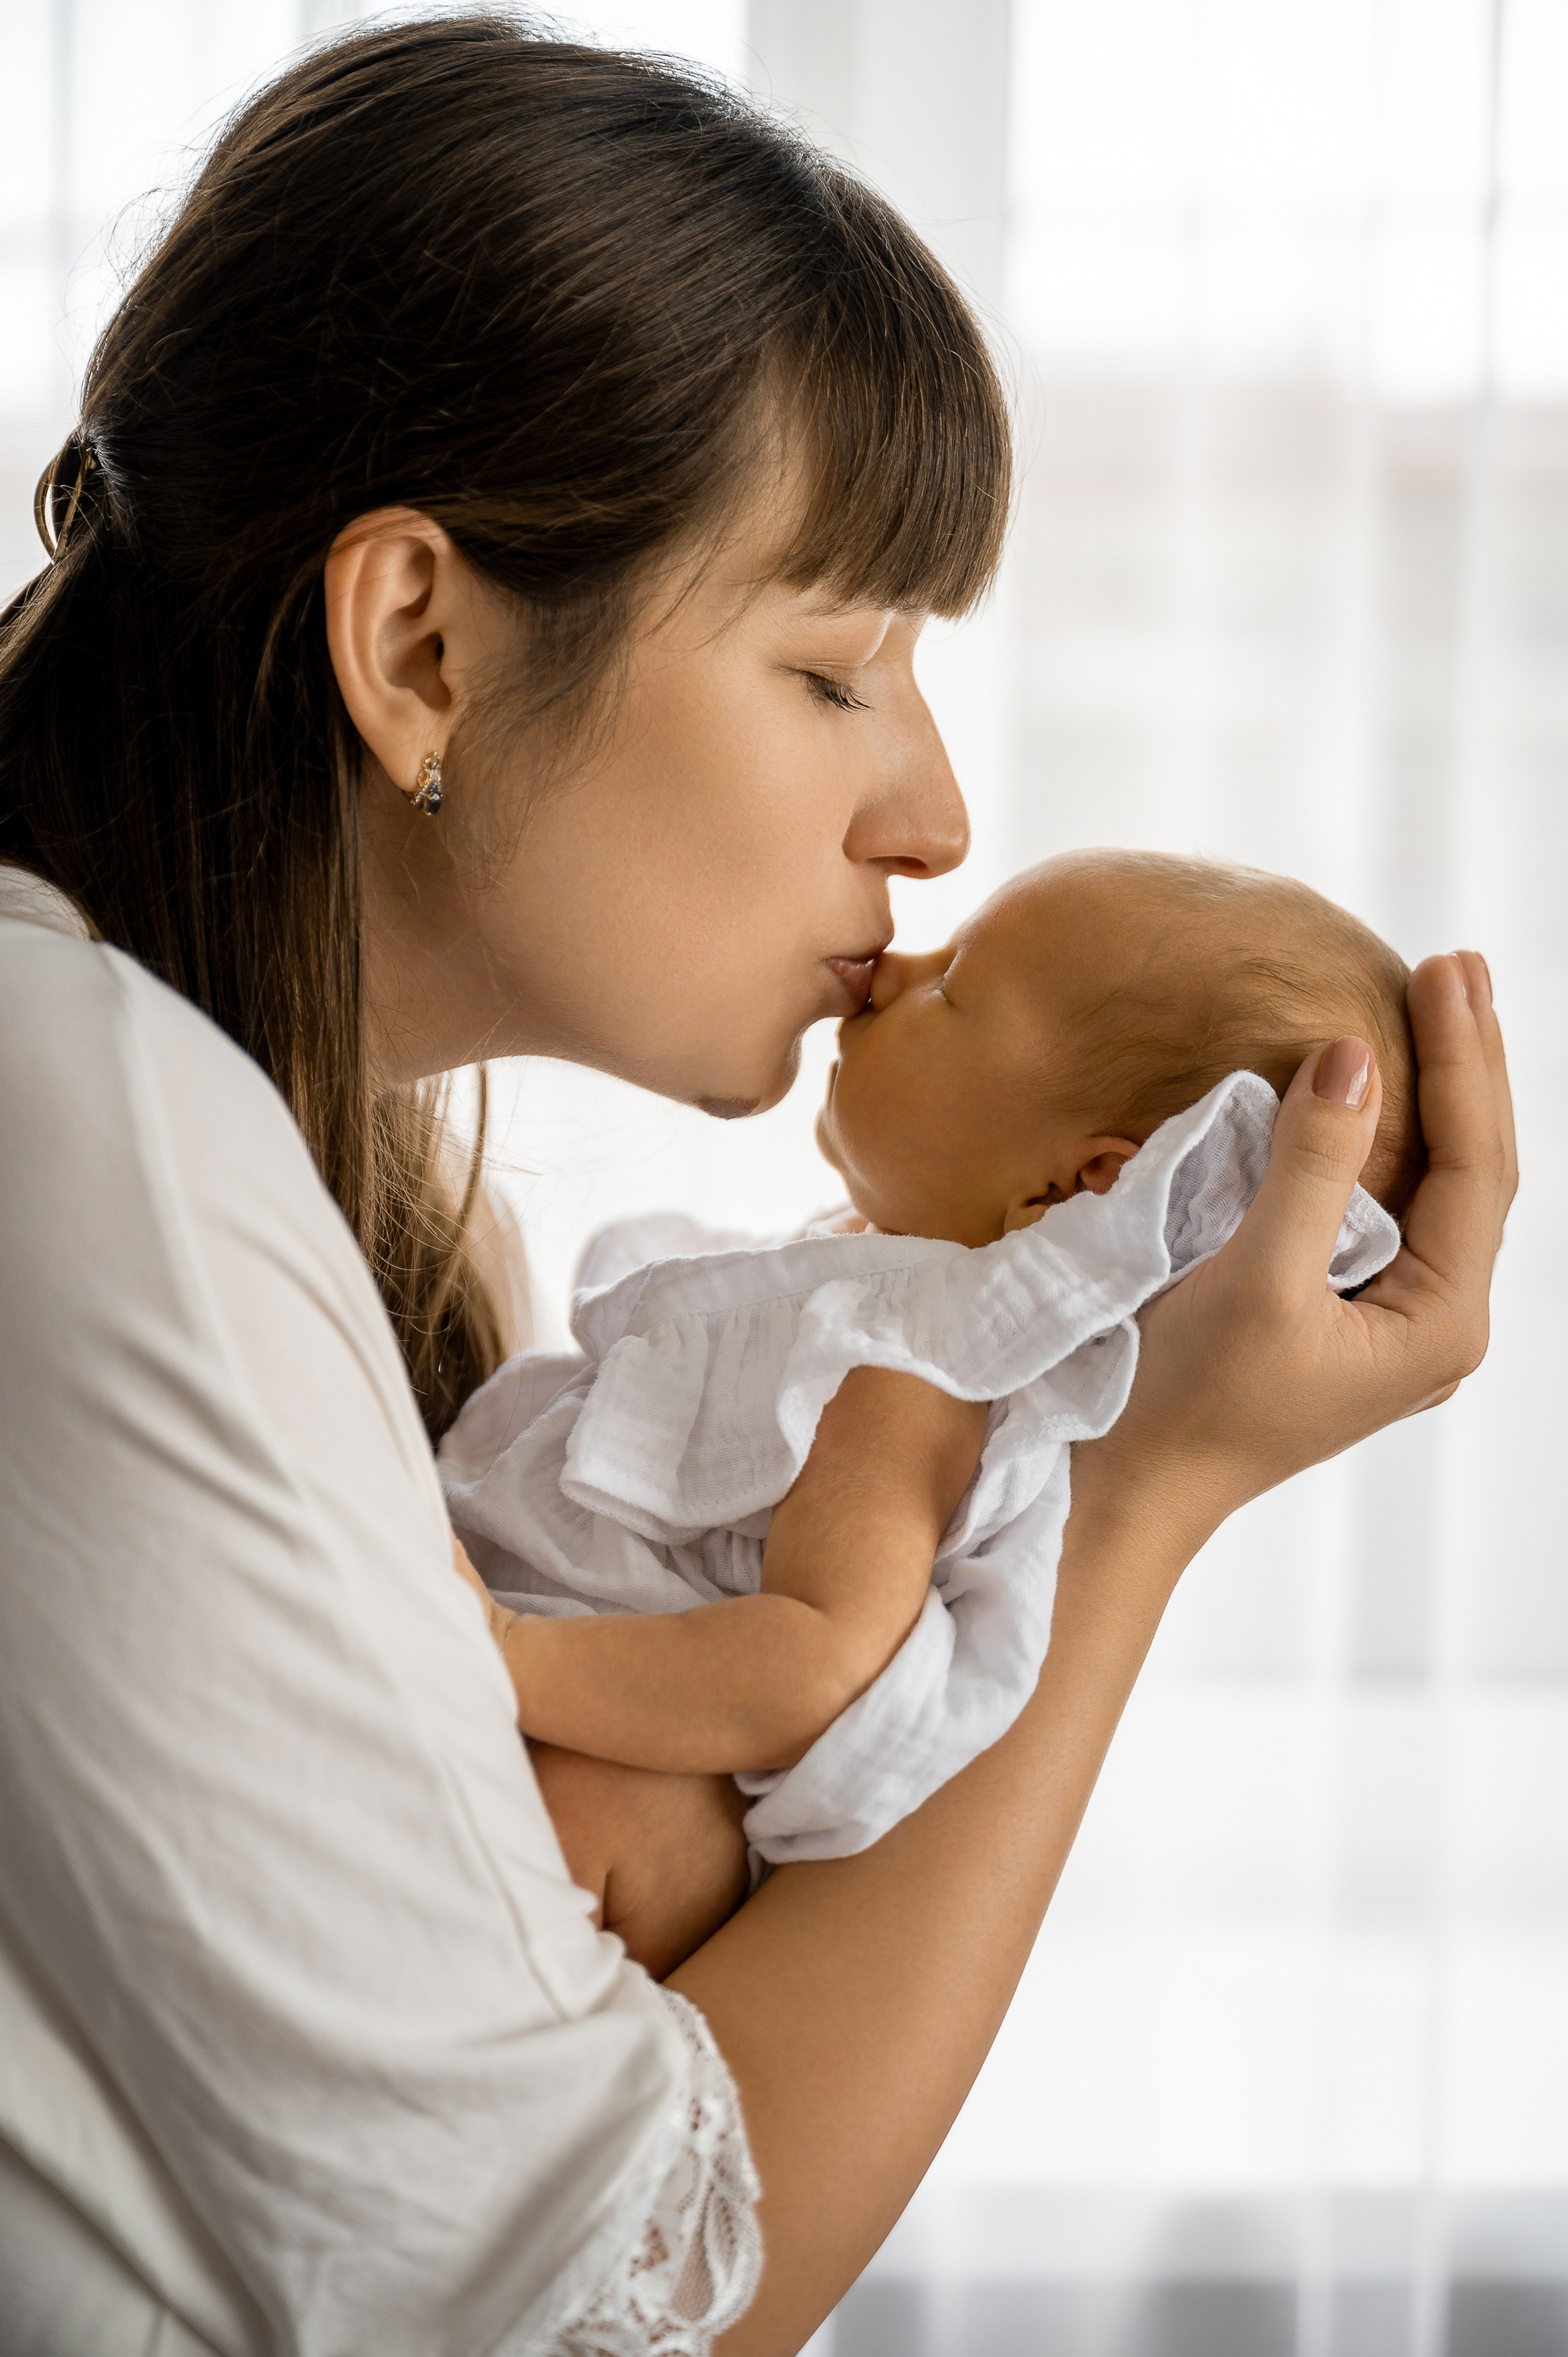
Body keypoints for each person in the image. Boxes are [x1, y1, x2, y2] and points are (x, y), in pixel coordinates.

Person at [0, 20, 1513, 2357]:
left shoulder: (370, 1220)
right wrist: (1136, 1492)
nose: (932, 818)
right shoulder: (88, 1132)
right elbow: (600, 2313)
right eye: (837, 666)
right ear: (421, 643)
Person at [436, 851, 1419, 1962]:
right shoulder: (861, 1292)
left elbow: (817, 1659)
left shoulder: (913, 1372)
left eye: (953, 986)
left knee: (585, 1817)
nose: (895, 969)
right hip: (542, 1694)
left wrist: (500, 1652)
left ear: (1083, 1187)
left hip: (602, 1758)